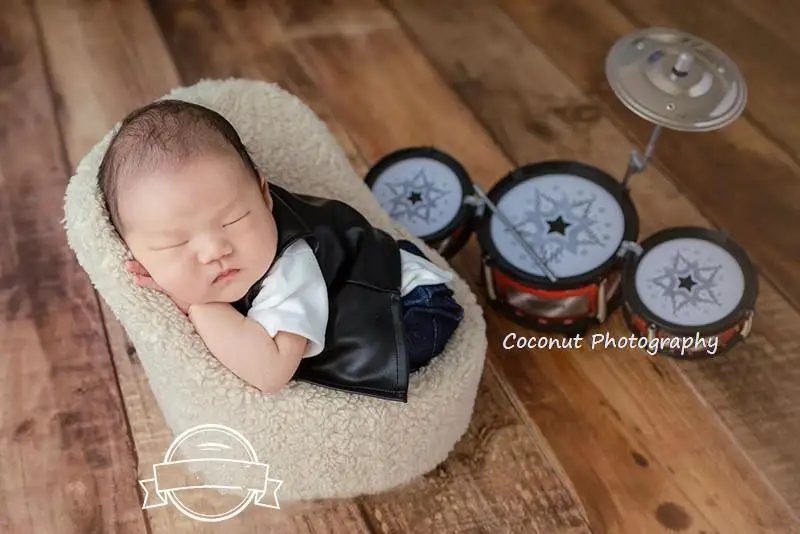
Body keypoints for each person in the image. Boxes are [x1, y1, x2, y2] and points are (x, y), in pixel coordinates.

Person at [98, 99, 464, 403]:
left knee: (320, 371)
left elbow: (270, 373)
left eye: (233, 219)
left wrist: (199, 307)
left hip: (411, 303)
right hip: (373, 276)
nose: (214, 250)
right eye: (174, 243)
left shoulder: (291, 265)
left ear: (263, 194)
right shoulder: (225, 245)